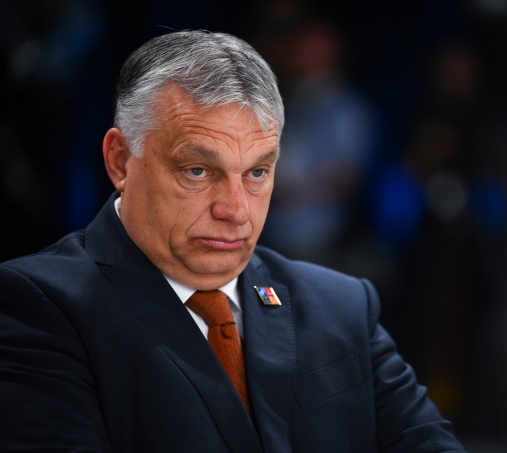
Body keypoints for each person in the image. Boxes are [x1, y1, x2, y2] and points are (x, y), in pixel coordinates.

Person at [0, 30, 466, 452]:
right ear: (120, 161)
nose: (236, 210)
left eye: (257, 172)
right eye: (198, 171)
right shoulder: (38, 305)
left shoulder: (343, 306)